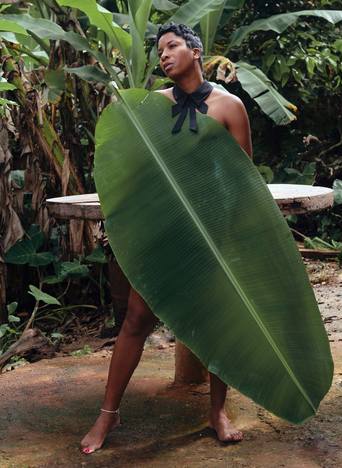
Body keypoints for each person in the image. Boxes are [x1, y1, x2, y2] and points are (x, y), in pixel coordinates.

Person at [81, 23, 253, 454]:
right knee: (137, 318)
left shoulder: (230, 107)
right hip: (161, 230)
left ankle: (217, 412)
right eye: (160, 49)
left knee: (218, 325)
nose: (164, 54)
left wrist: (233, 238)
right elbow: (131, 166)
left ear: (196, 52)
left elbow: (243, 181)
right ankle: (107, 415)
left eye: (173, 46)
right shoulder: (150, 107)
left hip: (211, 231)